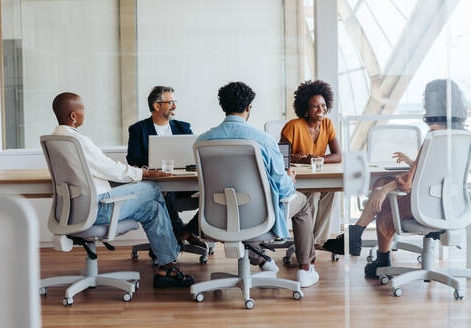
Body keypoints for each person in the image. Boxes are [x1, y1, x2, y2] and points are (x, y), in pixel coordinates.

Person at [323, 79, 467, 278]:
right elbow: (439, 174)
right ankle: (358, 234)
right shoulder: (460, 135)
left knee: (384, 195)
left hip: (426, 208)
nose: (425, 104)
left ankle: (374, 250)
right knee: (384, 184)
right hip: (448, 206)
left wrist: (384, 191)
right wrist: (412, 163)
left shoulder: (434, 135)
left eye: (428, 100)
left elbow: (407, 185)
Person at [51, 92, 194, 288]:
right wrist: (145, 174)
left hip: (73, 209)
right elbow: (110, 169)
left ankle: (165, 267)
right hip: (98, 207)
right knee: (152, 189)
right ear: (73, 117)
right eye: (82, 109)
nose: (86, 113)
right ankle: (176, 240)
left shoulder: (56, 140)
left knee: (152, 208)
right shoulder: (78, 141)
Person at [197, 82, 321, 287]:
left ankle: (262, 260)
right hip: (260, 215)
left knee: (238, 215)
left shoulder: (203, 140)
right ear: (248, 108)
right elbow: (283, 189)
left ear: (223, 107)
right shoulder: (264, 140)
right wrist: (290, 179)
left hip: (218, 218)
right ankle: (305, 269)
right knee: (303, 203)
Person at [126, 86, 203, 247]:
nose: (174, 106)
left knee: (212, 194)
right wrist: (156, 161)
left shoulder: (183, 127)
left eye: (174, 102)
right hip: (158, 183)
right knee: (164, 193)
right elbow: (132, 158)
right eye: (170, 102)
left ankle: (188, 231)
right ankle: (180, 232)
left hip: (184, 182)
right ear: (157, 106)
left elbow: (192, 155)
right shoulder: (138, 129)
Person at [280, 80, 342, 247]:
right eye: (315, 106)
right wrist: (297, 158)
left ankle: (315, 242)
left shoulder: (327, 124)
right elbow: (281, 158)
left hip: (319, 175)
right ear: (306, 109)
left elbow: (338, 155)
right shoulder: (293, 126)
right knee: (314, 195)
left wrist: (315, 158)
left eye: (323, 105)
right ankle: (307, 244)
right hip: (299, 180)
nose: (321, 110)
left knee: (332, 191)